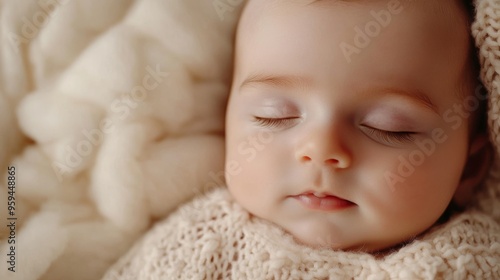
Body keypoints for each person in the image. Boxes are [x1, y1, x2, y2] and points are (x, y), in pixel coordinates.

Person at [103, 0, 499, 278]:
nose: (322, 150)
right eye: (275, 116)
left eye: (388, 128)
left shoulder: (475, 261)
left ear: (470, 166)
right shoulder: (198, 244)